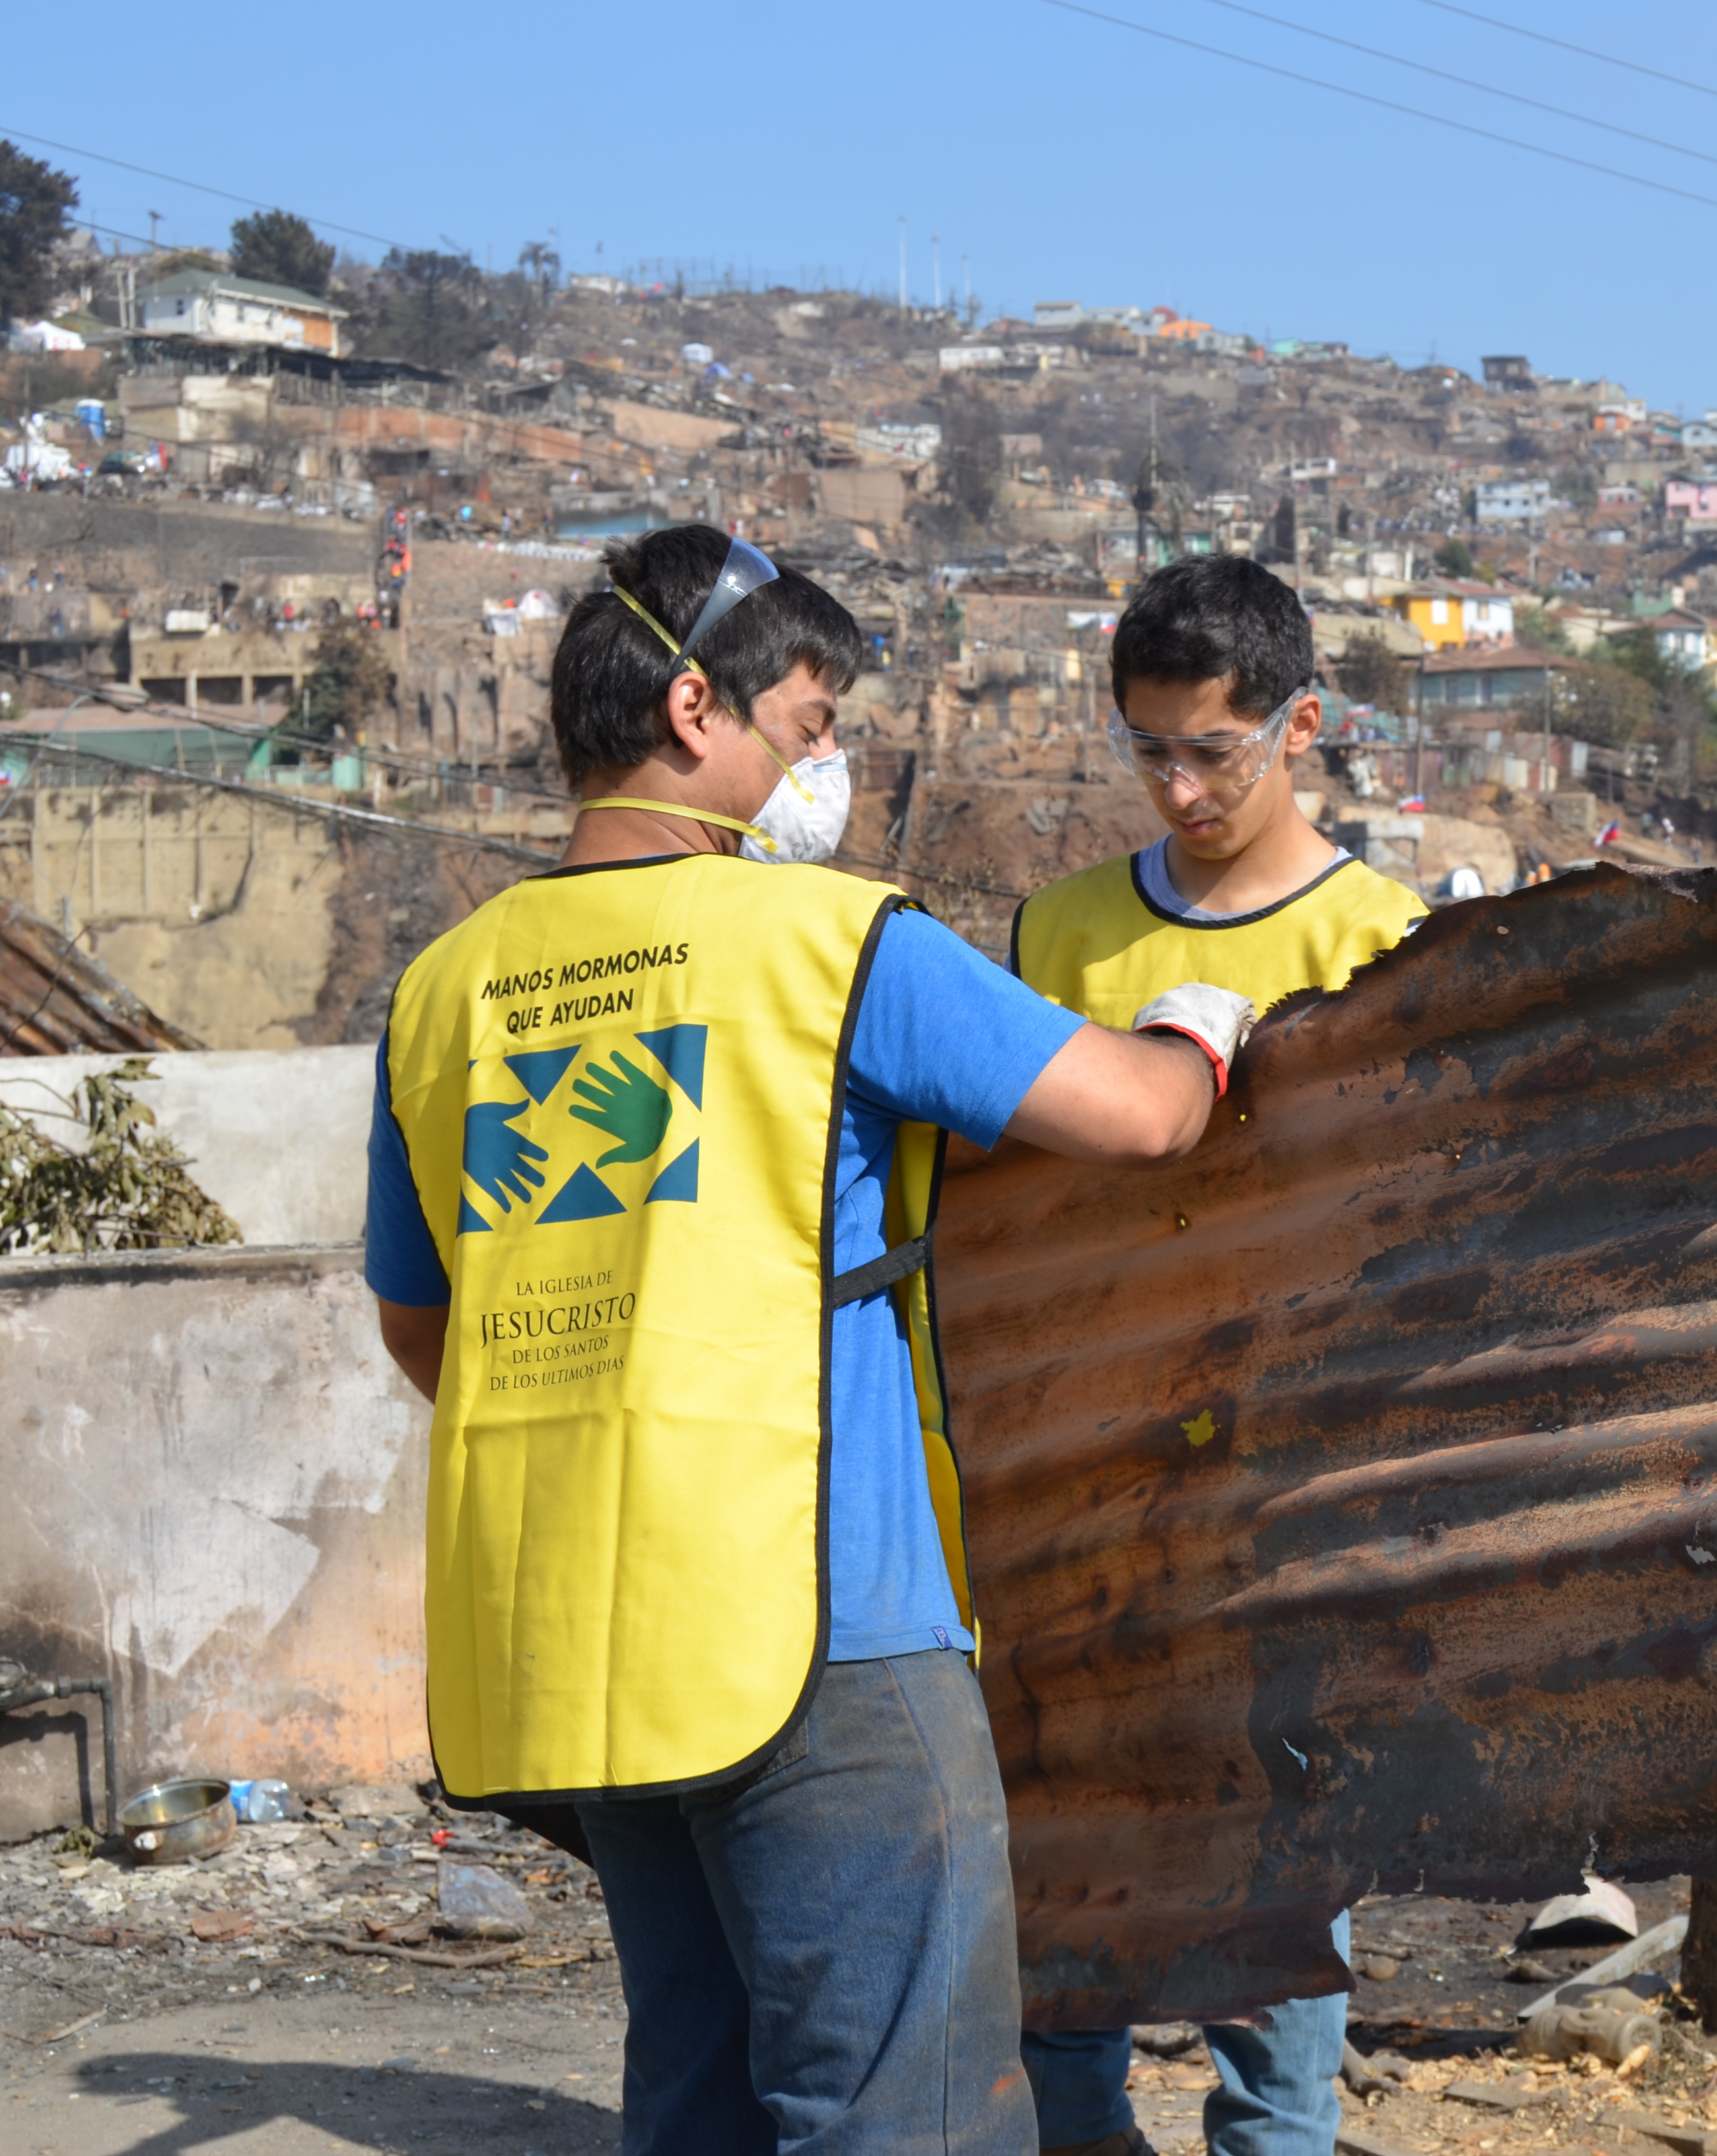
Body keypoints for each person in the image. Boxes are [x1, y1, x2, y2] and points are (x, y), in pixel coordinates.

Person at [363, 524, 1259, 2156]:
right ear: (695, 708)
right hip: (824, 1629)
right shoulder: (829, 943)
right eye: (809, 718)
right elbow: (1133, 1122)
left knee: (696, 2091)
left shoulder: (446, 991)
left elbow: (430, 1334)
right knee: (901, 2107)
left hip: (579, 1647)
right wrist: (1196, 1028)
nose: (826, 758)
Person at [1006, 555, 1425, 2156]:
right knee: (1075, 1821)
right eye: (1148, 752)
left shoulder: (1386, 938)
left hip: (1294, 1476)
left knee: (1281, 1837)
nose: (1180, 787)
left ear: (1299, 725)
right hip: (1084, 1472)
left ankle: (1276, 2139)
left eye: (1214, 752)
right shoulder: (1059, 931)